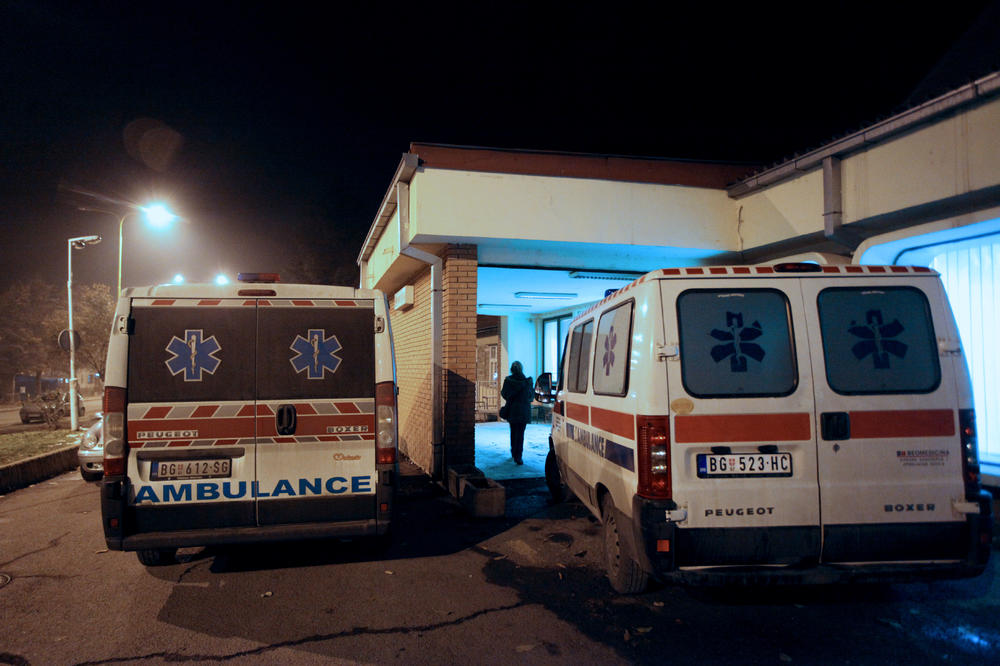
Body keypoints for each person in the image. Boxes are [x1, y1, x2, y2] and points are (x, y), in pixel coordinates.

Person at [500, 360, 533, 464]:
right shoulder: (527, 382)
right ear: (521, 369)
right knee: (521, 434)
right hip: (524, 411)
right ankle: (518, 456)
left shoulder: (508, 381)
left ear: (512, 370)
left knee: (513, 432)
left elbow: (504, 394)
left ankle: (513, 452)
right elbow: (531, 396)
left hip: (512, 410)